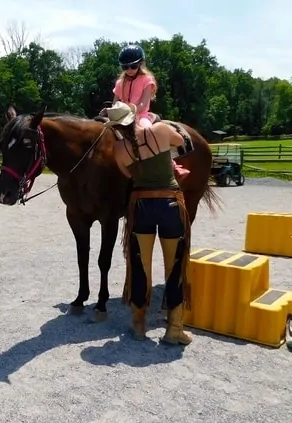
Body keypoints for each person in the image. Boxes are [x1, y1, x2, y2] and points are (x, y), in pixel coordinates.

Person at [106, 101, 193, 346]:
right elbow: (181, 142)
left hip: (141, 207)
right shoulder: (161, 129)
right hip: (171, 205)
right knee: (175, 266)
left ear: (116, 127)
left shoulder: (119, 149)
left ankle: (139, 325)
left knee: (140, 266)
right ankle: (174, 329)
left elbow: (128, 175)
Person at [106, 44, 189, 180]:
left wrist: (129, 110)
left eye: (133, 66)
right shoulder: (120, 82)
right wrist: (111, 110)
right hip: (121, 116)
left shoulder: (147, 80)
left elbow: (143, 104)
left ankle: (173, 166)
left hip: (141, 115)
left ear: (141, 64)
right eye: (125, 67)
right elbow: (115, 102)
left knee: (150, 133)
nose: (129, 70)